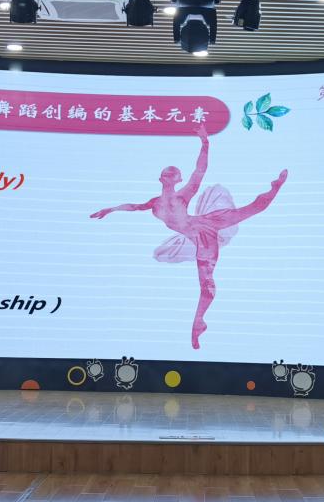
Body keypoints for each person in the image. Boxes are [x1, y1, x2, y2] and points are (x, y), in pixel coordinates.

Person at [90, 125, 287, 349]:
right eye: (166, 173)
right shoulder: (155, 203)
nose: (167, 175)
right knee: (206, 284)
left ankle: (275, 188)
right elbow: (134, 206)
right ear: (161, 178)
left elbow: (199, 171)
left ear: (176, 179)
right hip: (198, 235)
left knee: (250, 211)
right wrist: (111, 209)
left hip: (205, 227)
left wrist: (205, 143)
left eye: (171, 173)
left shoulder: (182, 196)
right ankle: (199, 322)